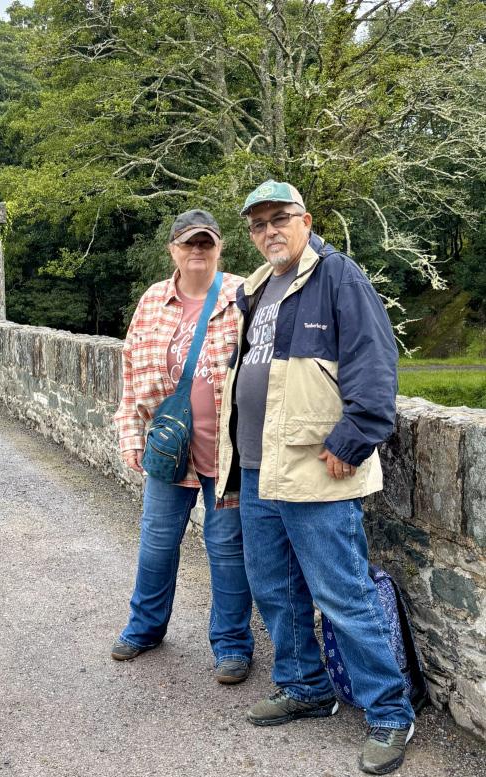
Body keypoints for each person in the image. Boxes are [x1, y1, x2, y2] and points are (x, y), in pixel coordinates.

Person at [216, 180, 415, 773]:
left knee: (343, 594)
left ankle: (390, 711)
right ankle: (306, 686)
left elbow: (374, 365)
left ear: (305, 220)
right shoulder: (256, 287)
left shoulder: (339, 277)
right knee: (274, 589)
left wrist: (352, 440)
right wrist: (234, 469)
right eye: (258, 224)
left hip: (317, 466)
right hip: (258, 467)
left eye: (279, 218)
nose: (269, 231)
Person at [112, 209, 253, 684]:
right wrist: (131, 433)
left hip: (228, 452)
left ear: (219, 247)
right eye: (189, 243)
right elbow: (130, 371)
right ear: (172, 249)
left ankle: (232, 645)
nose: (197, 250)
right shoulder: (153, 299)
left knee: (227, 549)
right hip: (169, 448)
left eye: (205, 242)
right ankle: (145, 628)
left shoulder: (243, 294)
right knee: (156, 543)